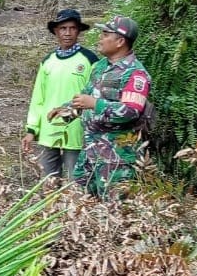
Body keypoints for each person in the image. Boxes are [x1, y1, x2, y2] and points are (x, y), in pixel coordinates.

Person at [63, 15, 152, 199]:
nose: (100, 39)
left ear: (120, 41)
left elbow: (131, 111)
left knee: (115, 213)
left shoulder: (135, 74)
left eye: (105, 34)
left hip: (117, 160)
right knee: (80, 208)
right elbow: (85, 97)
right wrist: (65, 110)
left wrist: (95, 104)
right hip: (89, 155)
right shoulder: (100, 66)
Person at [23, 8, 98, 180]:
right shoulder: (48, 61)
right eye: (63, 28)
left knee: (76, 184)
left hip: (76, 133)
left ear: (78, 31)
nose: (67, 33)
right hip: (48, 132)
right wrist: (31, 129)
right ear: (55, 31)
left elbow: (95, 94)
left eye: (72, 28)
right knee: (48, 183)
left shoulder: (90, 60)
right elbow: (38, 99)